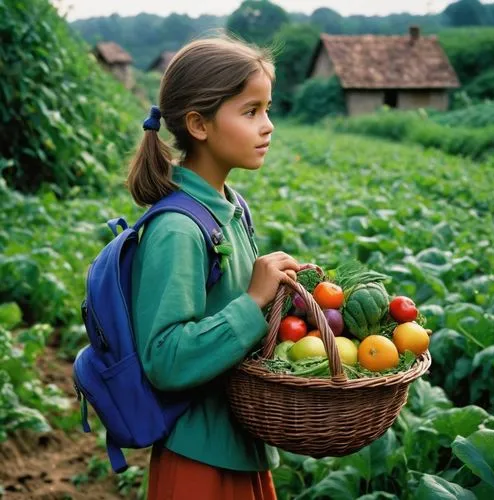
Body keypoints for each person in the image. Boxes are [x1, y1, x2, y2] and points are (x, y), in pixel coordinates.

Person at [127, 35, 301, 500]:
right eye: (250, 112)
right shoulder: (178, 230)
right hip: (199, 464)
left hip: (239, 445)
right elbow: (165, 357)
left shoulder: (233, 207)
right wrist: (253, 301)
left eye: (267, 109)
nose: (267, 126)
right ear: (198, 125)